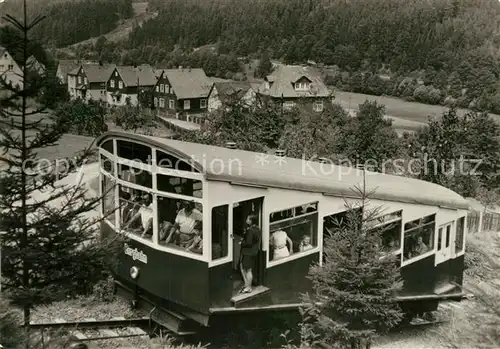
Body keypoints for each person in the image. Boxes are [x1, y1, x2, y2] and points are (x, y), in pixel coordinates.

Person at [239, 214, 261, 294]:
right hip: (253, 252)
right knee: (246, 268)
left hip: (248, 252)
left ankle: (248, 287)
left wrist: (242, 242)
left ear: (251, 221)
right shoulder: (258, 229)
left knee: (248, 270)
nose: (246, 220)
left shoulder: (250, 230)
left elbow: (248, 243)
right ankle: (247, 285)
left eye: (248, 219)